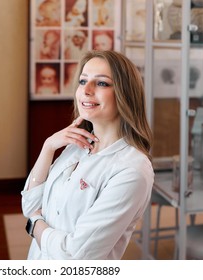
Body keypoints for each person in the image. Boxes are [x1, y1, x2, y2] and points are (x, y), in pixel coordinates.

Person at [22, 50, 154, 259]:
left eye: (101, 83)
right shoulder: (77, 144)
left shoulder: (132, 170)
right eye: (83, 81)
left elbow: (74, 256)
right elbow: (29, 204)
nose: (86, 90)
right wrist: (48, 147)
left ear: (125, 94)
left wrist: (35, 225)